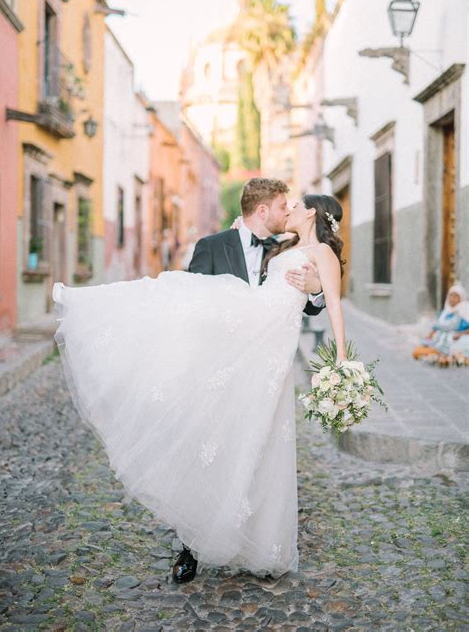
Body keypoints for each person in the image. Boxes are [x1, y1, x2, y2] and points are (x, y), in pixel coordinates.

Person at [51, 185, 346, 583]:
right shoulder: (215, 244)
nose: (287, 209)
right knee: (208, 448)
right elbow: (192, 303)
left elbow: (317, 296)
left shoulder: (287, 247)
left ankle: (254, 541)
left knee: (258, 447)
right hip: (217, 367)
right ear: (261, 210)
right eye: (281, 205)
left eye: (292, 206)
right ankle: (192, 545)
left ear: (310, 215)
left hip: (265, 362)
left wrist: (315, 293)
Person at [412, 284, 469, 364]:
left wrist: (460, 334)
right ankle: (440, 354)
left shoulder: (465, 310)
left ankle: (446, 355)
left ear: (461, 297)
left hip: (456, 341)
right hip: (439, 342)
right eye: (451, 295)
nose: (452, 298)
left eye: (456, 296)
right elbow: (437, 326)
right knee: (417, 352)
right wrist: (430, 336)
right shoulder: (446, 312)